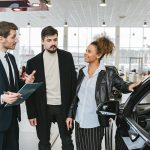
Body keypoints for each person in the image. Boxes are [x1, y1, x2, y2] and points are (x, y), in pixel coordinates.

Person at [66, 36, 140, 150]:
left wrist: (129, 86)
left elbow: (122, 85)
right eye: (86, 50)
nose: (85, 53)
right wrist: (70, 115)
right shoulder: (82, 71)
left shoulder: (108, 73)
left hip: (95, 122)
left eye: (89, 51)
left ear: (98, 55)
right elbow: (76, 96)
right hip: (79, 120)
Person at [25, 26, 77, 150]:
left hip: (63, 108)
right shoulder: (32, 62)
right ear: (43, 41)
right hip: (43, 108)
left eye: (55, 40)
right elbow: (29, 91)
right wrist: (31, 114)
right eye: (49, 40)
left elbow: (73, 86)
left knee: (67, 141)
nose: (53, 43)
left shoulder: (67, 57)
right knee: (43, 142)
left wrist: (72, 112)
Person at [0, 21, 35, 150]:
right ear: (1, 38)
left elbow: (13, 85)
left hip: (13, 120)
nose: (17, 40)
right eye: (13, 37)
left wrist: (26, 82)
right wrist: (2, 98)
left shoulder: (11, 58)